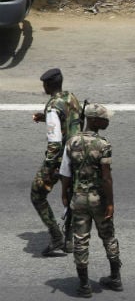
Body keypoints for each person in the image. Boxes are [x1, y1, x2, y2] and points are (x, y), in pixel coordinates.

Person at [59, 103, 122, 297]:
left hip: (78, 199)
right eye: (104, 118)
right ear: (94, 120)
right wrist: (110, 203)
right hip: (99, 200)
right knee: (108, 235)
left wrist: (64, 193)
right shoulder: (104, 145)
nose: (107, 120)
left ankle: (84, 285)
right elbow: (106, 177)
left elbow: (66, 173)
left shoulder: (71, 142)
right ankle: (115, 277)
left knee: (80, 240)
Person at [31, 68, 82, 256]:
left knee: (37, 194)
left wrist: (49, 166)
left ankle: (56, 236)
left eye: (44, 84)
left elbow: (54, 142)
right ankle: (69, 240)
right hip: (77, 155)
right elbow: (69, 118)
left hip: (61, 159)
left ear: (50, 85)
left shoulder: (53, 106)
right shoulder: (71, 98)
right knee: (69, 198)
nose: (43, 86)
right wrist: (44, 117)